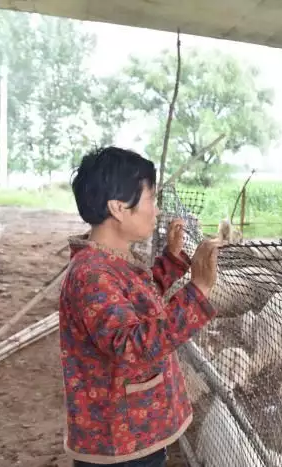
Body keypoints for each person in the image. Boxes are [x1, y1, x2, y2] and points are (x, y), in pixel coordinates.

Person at [60, 146, 220, 466]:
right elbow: (133, 344)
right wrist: (198, 289)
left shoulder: (107, 261)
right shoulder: (92, 274)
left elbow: (135, 300)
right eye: (151, 199)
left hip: (133, 433)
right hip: (120, 445)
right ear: (119, 208)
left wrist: (173, 260)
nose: (157, 211)